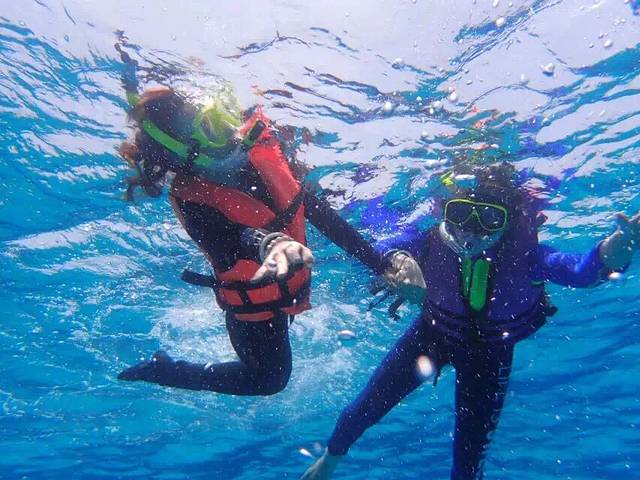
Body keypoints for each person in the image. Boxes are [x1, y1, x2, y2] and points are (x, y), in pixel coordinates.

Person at [113, 43, 419, 396]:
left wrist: (381, 263)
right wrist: (271, 243)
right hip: (253, 313)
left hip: (284, 286)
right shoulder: (194, 203)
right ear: (184, 151)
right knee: (269, 380)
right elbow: (233, 240)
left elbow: (320, 214)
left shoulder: (261, 161)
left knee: (275, 373)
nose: (230, 131)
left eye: (226, 115)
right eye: (212, 127)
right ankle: (165, 370)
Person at [301, 163, 640, 479]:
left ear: (508, 222)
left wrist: (619, 245)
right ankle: (329, 460)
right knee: (363, 408)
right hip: (431, 335)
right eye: (461, 214)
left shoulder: (527, 255)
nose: (471, 232)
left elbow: (582, 272)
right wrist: (399, 260)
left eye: (489, 219)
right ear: (446, 212)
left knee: (469, 457)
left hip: (490, 354)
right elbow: (382, 246)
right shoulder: (430, 241)